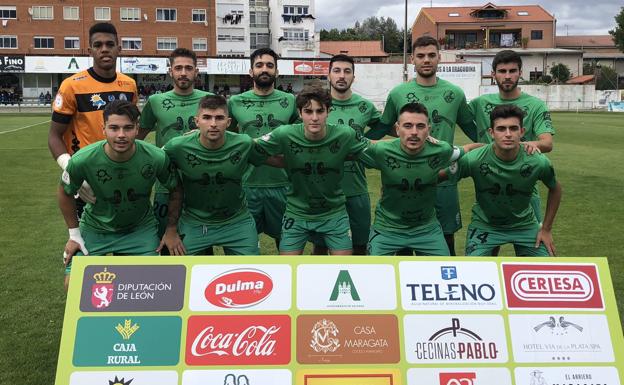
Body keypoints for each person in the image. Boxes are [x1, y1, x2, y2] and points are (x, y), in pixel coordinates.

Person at [376, 35, 478, 255]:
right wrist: (409, 137)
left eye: (431, 55)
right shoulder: (398, 93)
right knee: (403, 242)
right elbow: (384, 126)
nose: (426, 60)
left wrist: (497, 146)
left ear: (439, 58)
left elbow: (472, 128)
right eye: (421, 56)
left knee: (446, 236)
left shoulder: (455, 93)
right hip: (407, 175)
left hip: (443, 177)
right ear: (412, 59)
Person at [58, 101, 176, 289]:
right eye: (114, 128)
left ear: (137, 128)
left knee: (153, 284)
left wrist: (171, 228)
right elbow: (65, 193)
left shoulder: (155, 157)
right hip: (96, 228)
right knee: (72, 285)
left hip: (139, 229)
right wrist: (74, 235)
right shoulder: (82, 159)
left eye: (128, 128)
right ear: (103, 128)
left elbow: (175, 188)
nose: (121, 135)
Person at [253, 85, 372, 255]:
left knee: (345, 268)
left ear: (328, 111)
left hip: (334, 213)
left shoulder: (345, 134)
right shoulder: (284, 134)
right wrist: (285, 162)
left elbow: (376, 150)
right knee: (288, 269)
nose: (314, 117)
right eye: (308, 112)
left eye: (320, 111)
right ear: (300, 113)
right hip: (297, 212)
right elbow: (251, 147)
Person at [160, 95, 280, 256]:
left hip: (237, 222)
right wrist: (171, 230)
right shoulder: (177, 147)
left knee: (251, 273)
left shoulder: (243, 143)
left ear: (228, 122)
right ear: (197, 121)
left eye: (219, 118)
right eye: (207, 118)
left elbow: (274, 159)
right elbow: (151, 161)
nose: (213, 124)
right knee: (178, 272)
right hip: (194, 221)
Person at [362, 103, 481, 256]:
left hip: (426, 230)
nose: (414, 132)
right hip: (387, 229)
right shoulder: (381, 150)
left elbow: (468, 149)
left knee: (443, 274)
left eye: (420, 126)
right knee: (374, 276)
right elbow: (349, 145)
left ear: (428, 130)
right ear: (397, 129)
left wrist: (514, 146)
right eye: (408, 126)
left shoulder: (442, 150)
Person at [443, 104, 562, 256]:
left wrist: (546, 229)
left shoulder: (537, 161)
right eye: (501, 129)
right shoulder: (475, 159)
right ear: (491, 132)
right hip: (485, 225)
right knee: (473, 272)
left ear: (522, 132)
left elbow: (555, 188)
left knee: (545, 272)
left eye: (513, 128)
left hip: (524, 225)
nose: (508, 134)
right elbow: (441, 178)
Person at [48, 22, 137, 218]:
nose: (104, 49)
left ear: (118, 49)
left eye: (109, 44)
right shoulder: (72, 86)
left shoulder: (129, 85)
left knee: (127, 242)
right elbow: (54, 136)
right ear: (90, 50)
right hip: (86, 176)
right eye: (98, 45)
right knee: (88, 245)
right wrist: (72, 171)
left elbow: (131, 130)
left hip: (122, 174)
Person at [469, 49, 555, 223]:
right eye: (502, 71)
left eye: (512, 71)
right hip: (489, 186)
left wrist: (520, 145)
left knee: (531, 246)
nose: (507, 76)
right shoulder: (480, 103)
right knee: (488, 246)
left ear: (520, 73)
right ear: (493, 74)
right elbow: (450, 115)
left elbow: (547, 143)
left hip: (525, 186)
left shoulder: (535, 105)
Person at [137, 48, 212, 245]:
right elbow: (137, 138)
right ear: (170, 71)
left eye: (188, 68)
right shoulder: (155, 101)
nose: (183, 73)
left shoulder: (208, 100)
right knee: (165, 241)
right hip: (166, 184)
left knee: (201, 245)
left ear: (197, 71)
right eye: (178, 68)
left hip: (201, 181)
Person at [228, 48, 300, 249]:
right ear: (251, 72)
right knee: (248, 246)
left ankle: (287, 280)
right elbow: (226, 138)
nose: (264, 69)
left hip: (283, 184)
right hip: (246, 184)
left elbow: (301, 134)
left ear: (277, 71)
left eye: (270, 65)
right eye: (259, 65)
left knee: (286, 244)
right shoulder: (235, 102)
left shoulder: (290, 101)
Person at [311, 54, 383, 255]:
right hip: (323, 190)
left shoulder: (365, 106)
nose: (341, 76)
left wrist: (422, 135)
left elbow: (387, 128)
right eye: (337, 71)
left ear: (354, 76)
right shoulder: (316, 107)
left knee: (360, 247)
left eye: (347, 71)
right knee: (320, 247)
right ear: (328, 75)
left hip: (356, 188)